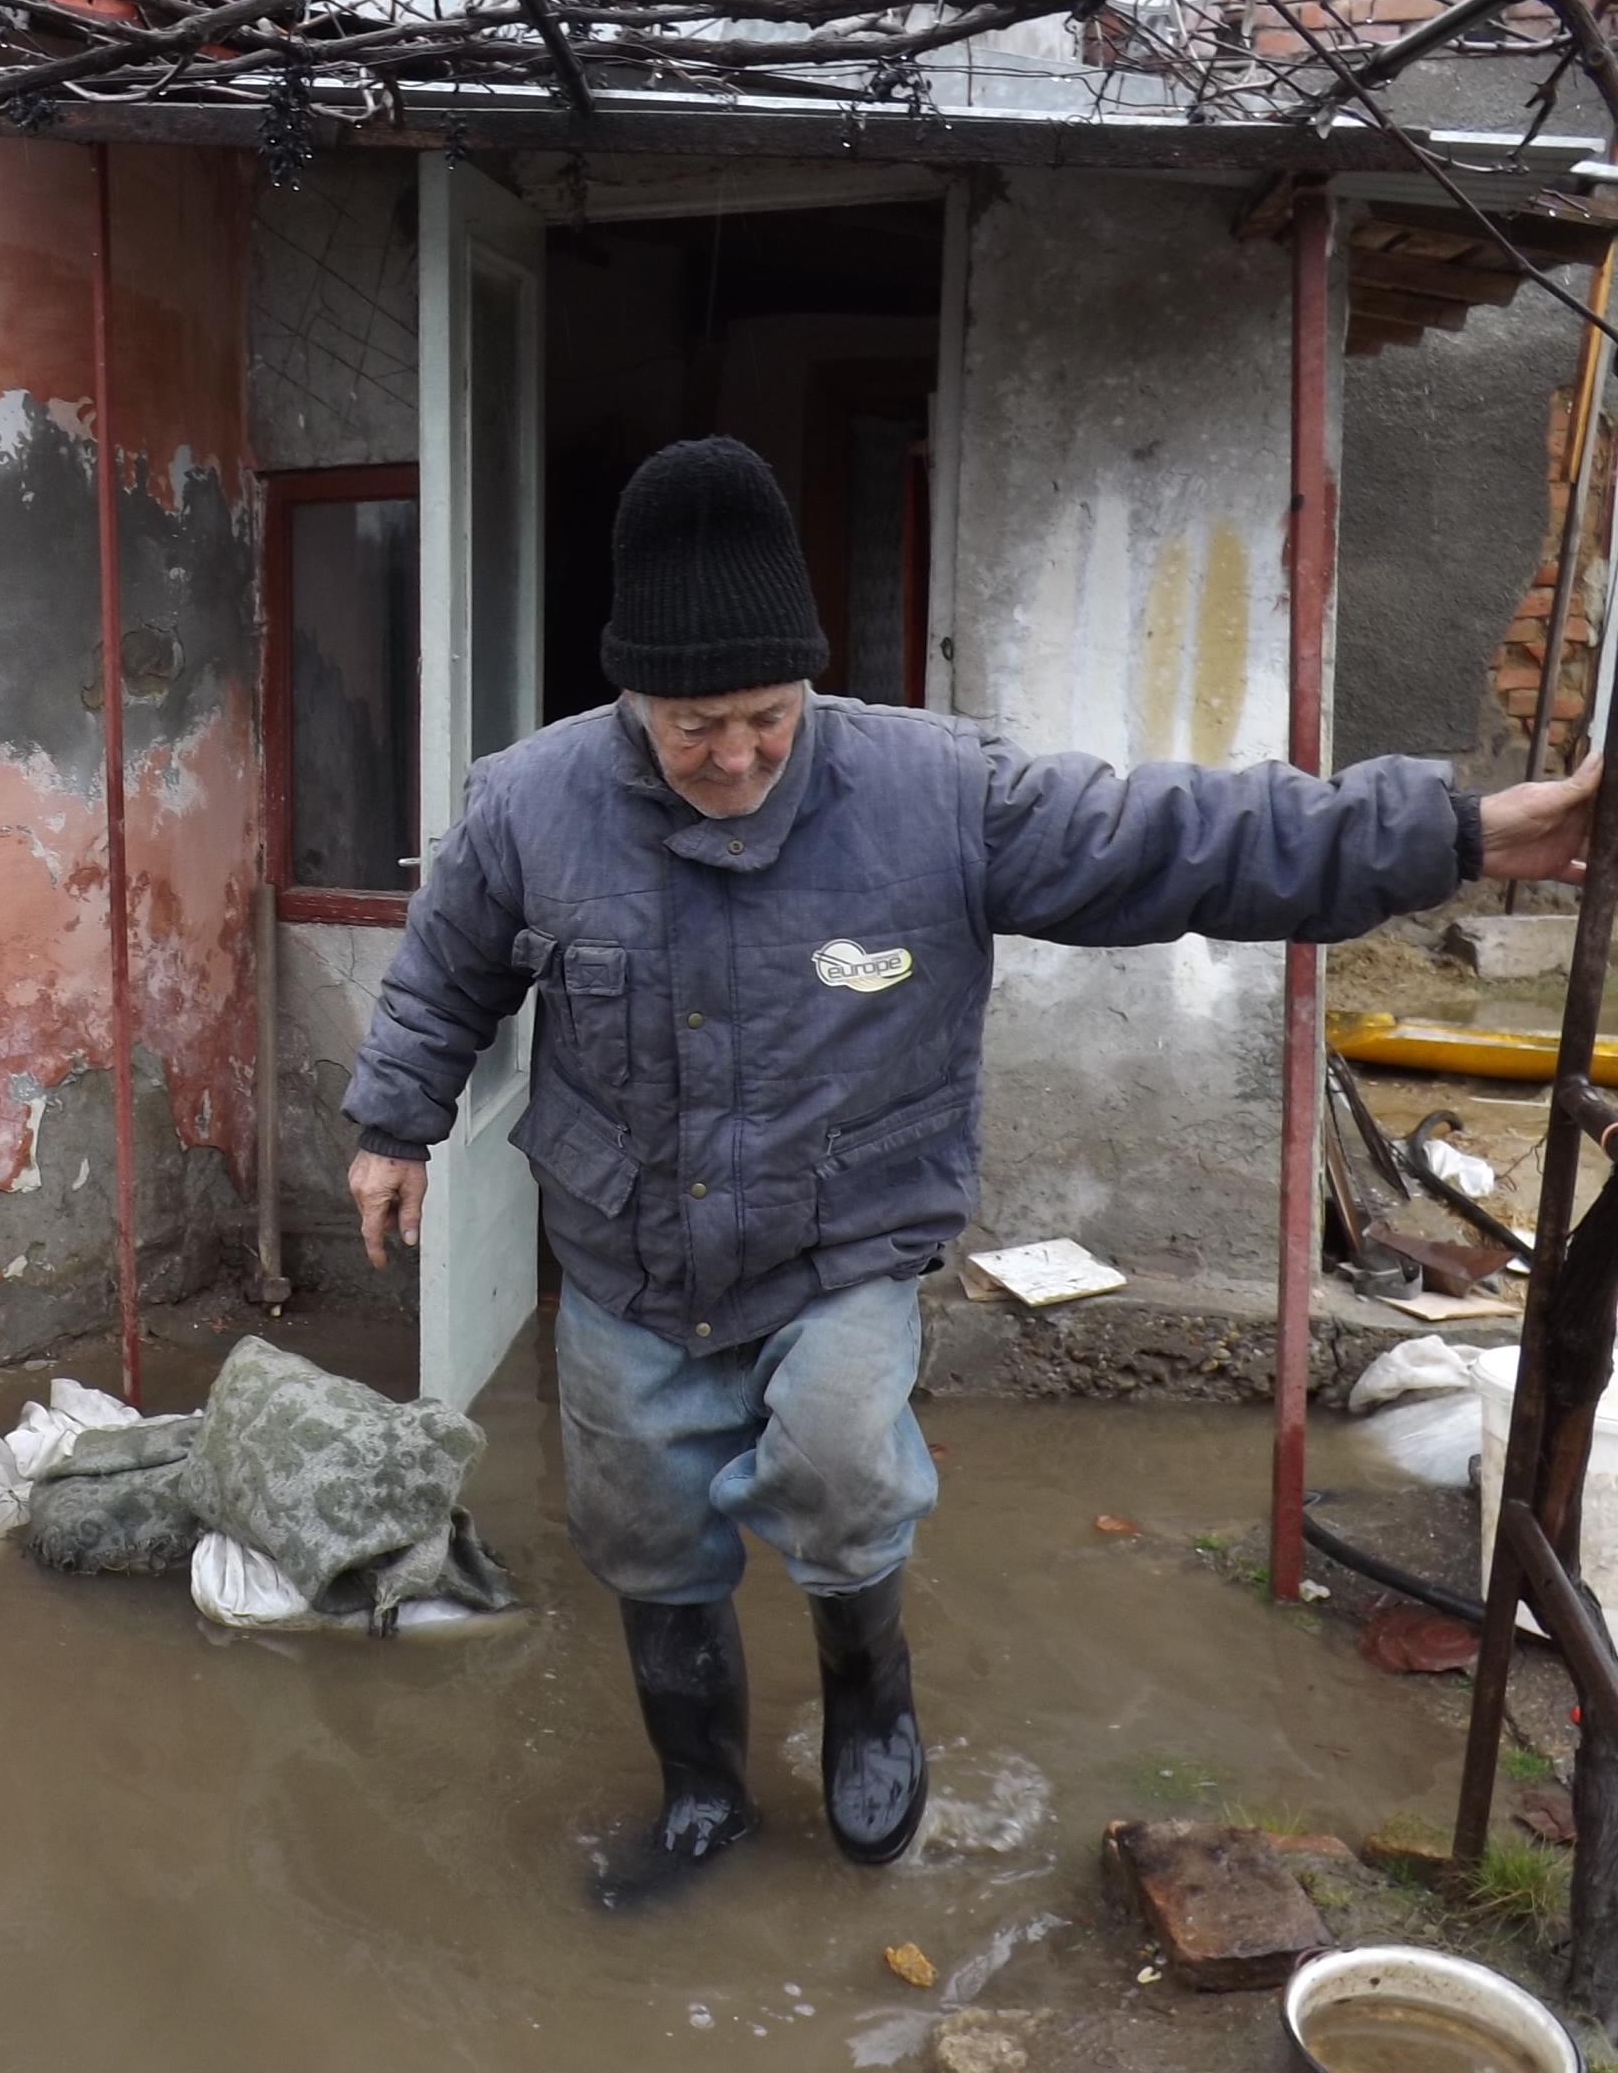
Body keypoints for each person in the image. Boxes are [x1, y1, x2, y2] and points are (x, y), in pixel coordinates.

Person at [341, 435, 1598, 1901]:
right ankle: (700, 1792)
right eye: (696, 727)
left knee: (838, 1465)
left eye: (766, 715)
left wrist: (1453, 830)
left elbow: (1180, 841)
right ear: (630, 699)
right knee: (641, 1528)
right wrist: (393, 1124)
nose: (738, 756)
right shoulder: (528, 805)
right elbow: (446, 976)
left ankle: (870, 1702)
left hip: (845, 1238)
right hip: (629, 1253)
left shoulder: (935, 791)